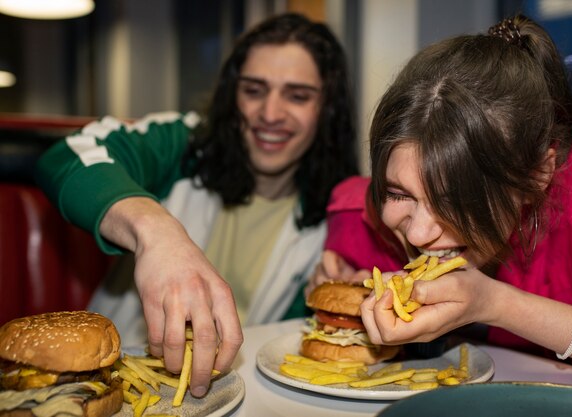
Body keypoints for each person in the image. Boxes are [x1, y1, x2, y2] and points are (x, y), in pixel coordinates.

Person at [35, 13, 359, 397]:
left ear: (328, 110)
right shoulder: (182, 143)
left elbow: (290, 344)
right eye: (253, 90)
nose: (270, 114)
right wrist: (157, 232)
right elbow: (66, 155)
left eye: (298, 96)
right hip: (112, 388)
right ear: (231, 94)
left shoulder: (339, 210)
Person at [310, 15, 572, 392]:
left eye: (456, 200)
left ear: (539, 174)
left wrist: (497, 304)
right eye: (399, 193)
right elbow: (349, 215)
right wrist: (339, 285)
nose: (419, 233)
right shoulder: (365, 218)